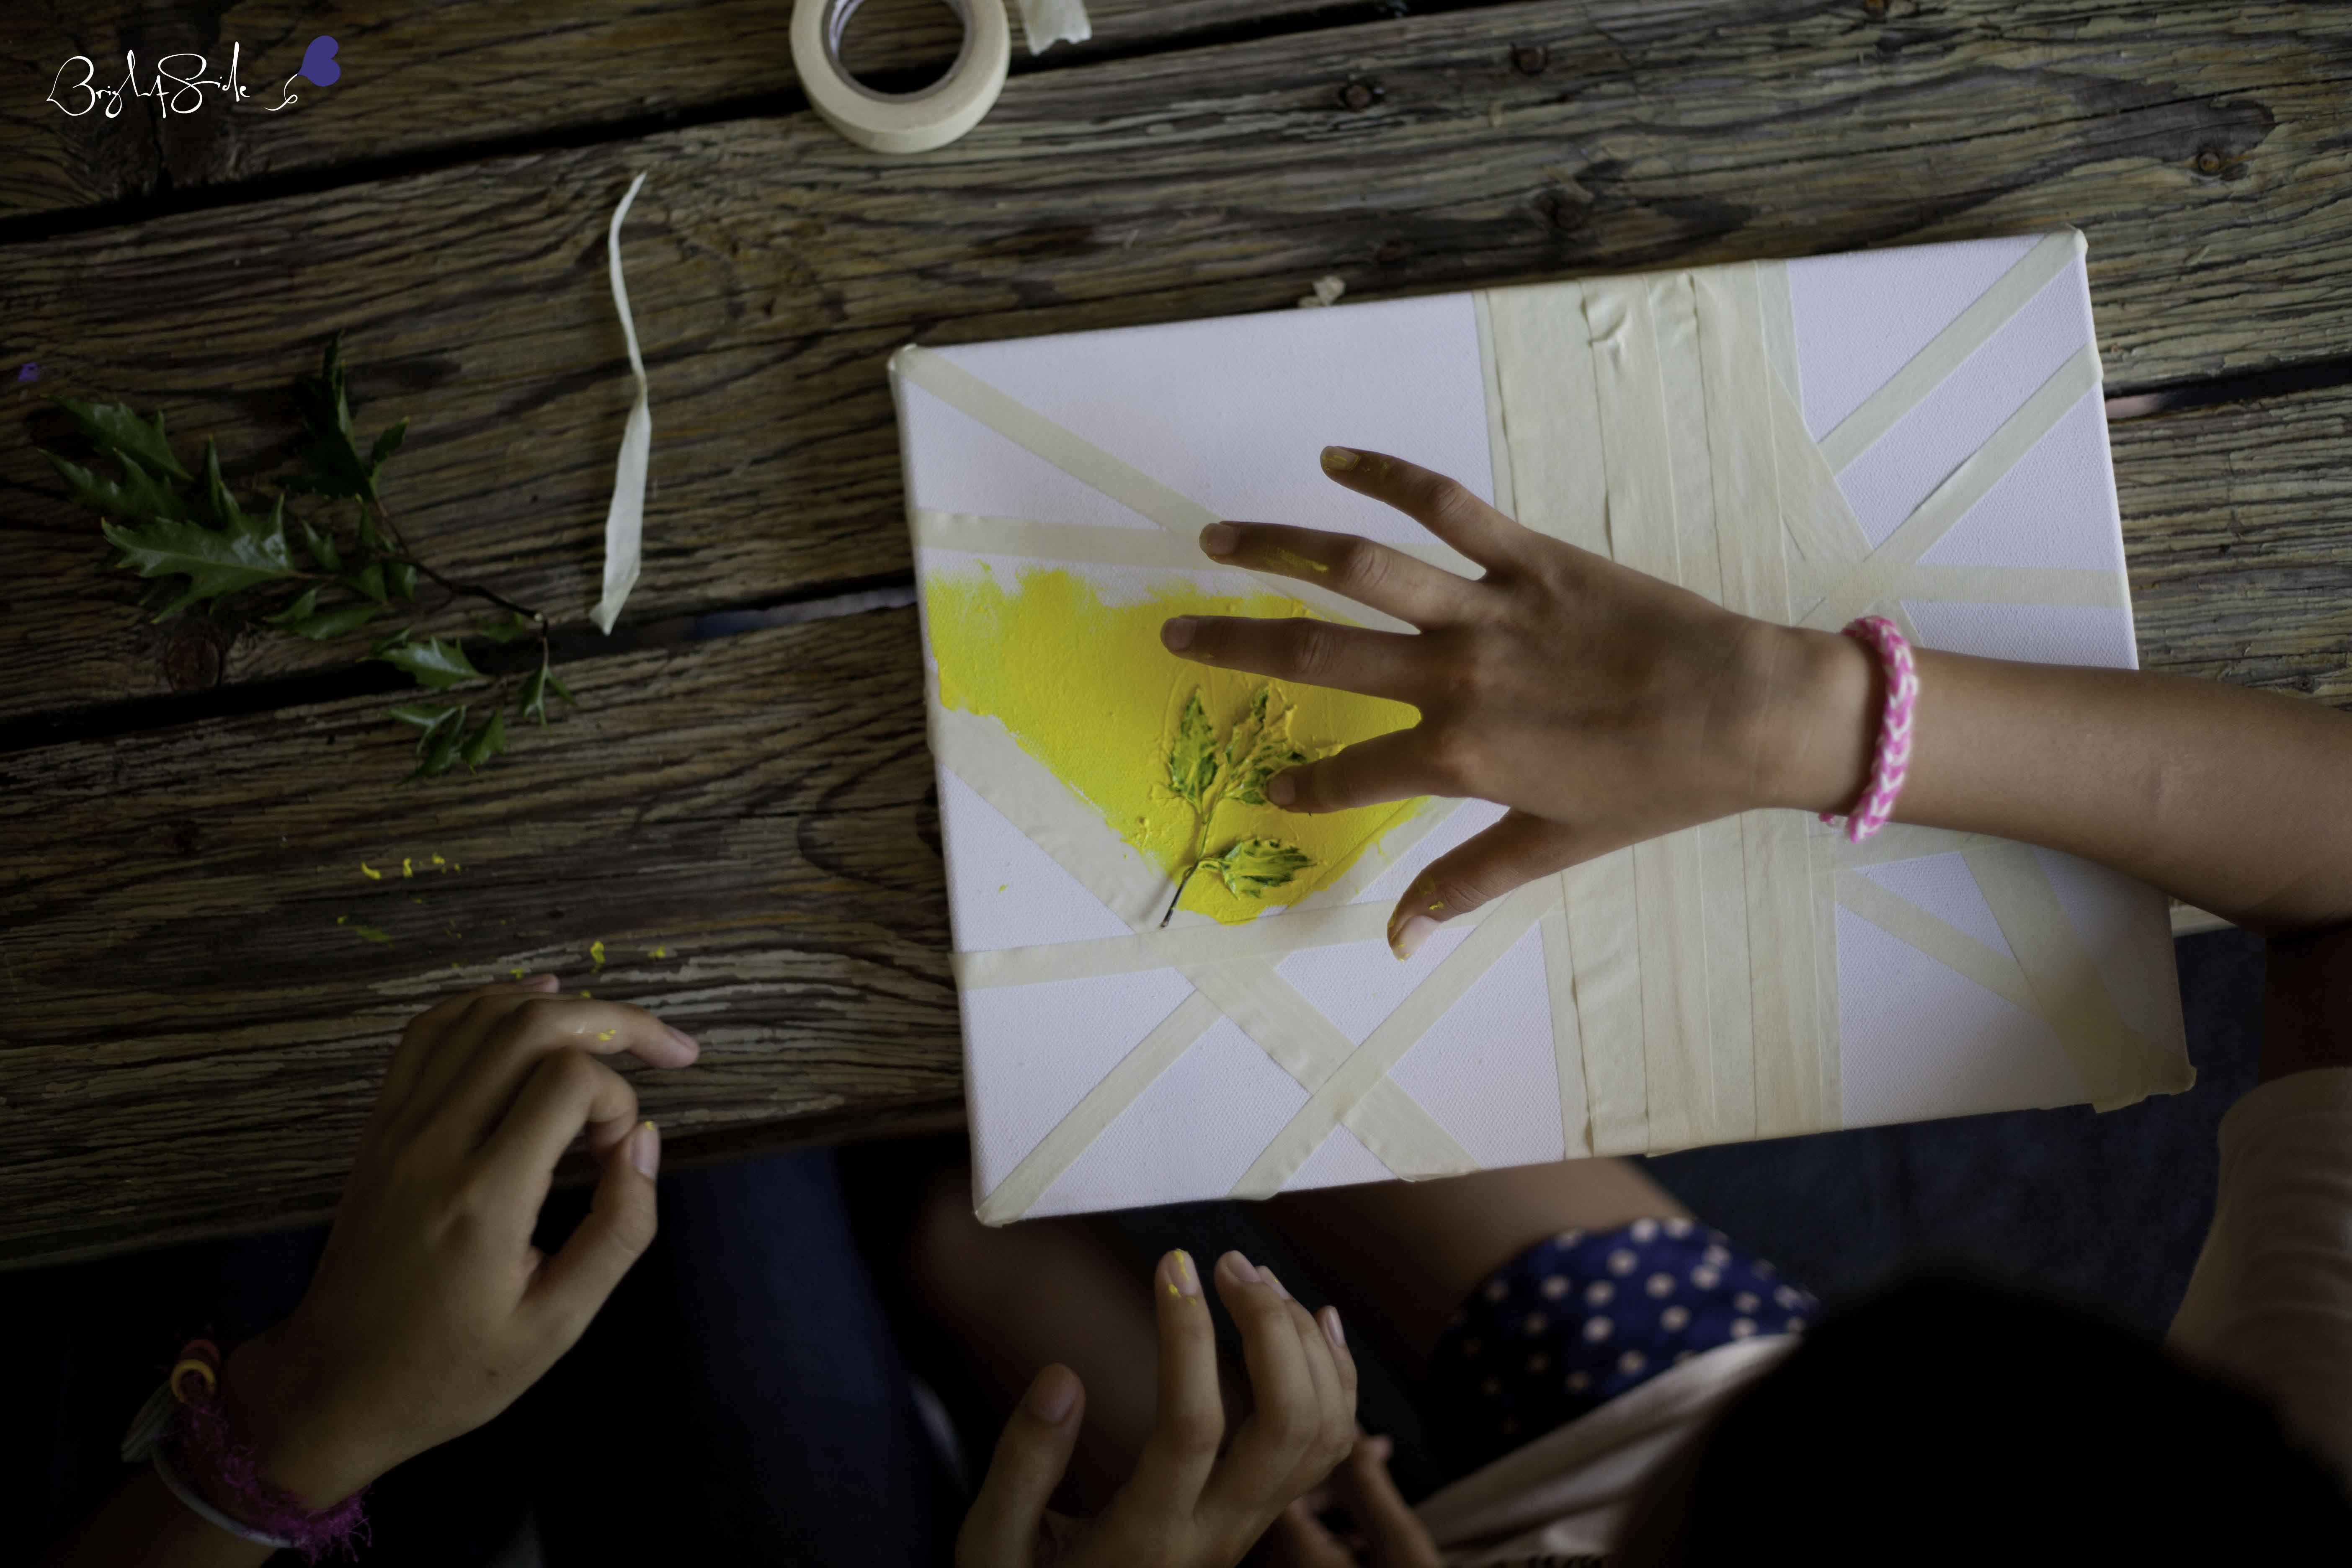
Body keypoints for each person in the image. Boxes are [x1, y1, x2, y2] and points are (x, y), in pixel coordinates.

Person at [45, 445, 2352, 1565]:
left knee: (734, 1254)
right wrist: (1802, 717)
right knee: (997, 1208)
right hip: (1627, 1413)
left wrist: (289, 1445)